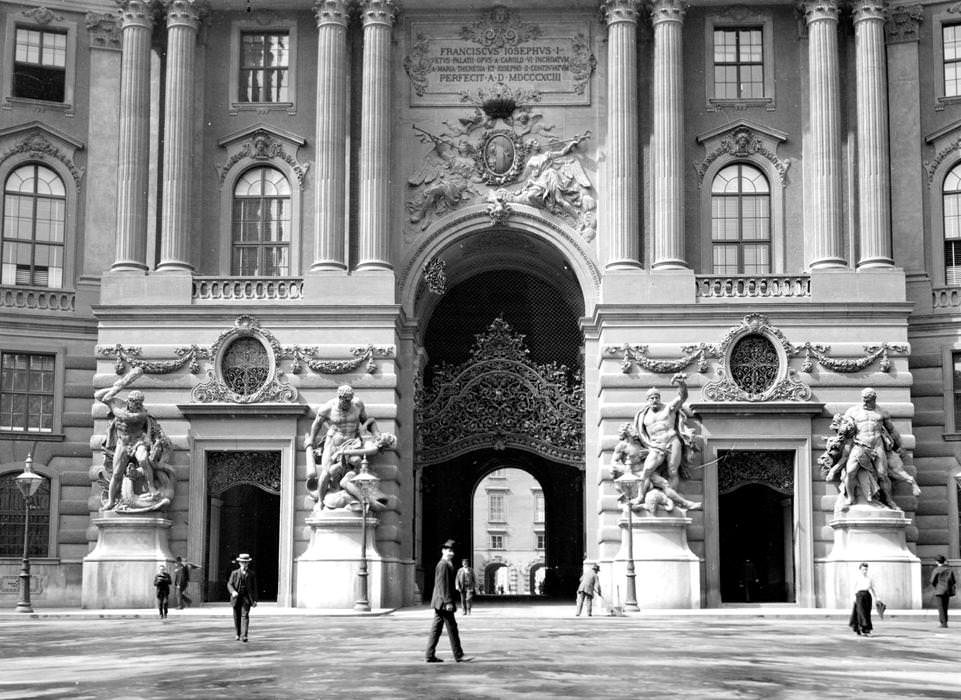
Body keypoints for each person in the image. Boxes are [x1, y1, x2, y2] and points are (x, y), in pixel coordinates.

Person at [94, 367, 174, 512]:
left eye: (139, 403)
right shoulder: (120, 404)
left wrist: (111, 402)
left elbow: (126, 417)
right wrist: (118, 387)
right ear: (129, 401)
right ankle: (111, 501)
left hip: (138, 441)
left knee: (143, 459)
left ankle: (151, 487)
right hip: (123, 443)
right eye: (134, 402)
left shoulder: (140, 414)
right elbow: (98, 395)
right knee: (117, 474)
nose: (137, 405)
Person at [828, 388, 921, 511]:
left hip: (877, 445)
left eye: (868, 400)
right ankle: (850, 498)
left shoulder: (882, 413)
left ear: (874, 399)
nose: (865, 403)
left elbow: (892, 431)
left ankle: (889, 501)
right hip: (860, 445)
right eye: (864, 400)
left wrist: (899, 446)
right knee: (850, 472)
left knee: (883, 474)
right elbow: (843, 429)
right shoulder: (853, 412)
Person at [304, 385, 386, 509]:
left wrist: (376, 434)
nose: (347, 404)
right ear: (340, 398)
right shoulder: (328, 408)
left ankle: (358, 493)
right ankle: (320, 501)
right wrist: (311, 440)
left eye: (349, 401)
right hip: (334, 444)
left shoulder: (357, 405)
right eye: (345, 401)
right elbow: (317, 424)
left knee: (357, 462)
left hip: (353, 443)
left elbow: (366, 421)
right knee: (326, 472)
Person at [425, 539, 468, 663]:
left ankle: (429, 655)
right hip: (443, 602)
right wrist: (448, 601)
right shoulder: (443, 564)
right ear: (443, 551)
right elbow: (442, 584)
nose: (451, 552)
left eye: (452, 550)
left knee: (436, 629)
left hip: (440, 601)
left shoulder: (446, 563)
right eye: (449, 550)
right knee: (452, 628)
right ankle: (459, 655)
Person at [227, 553, 258, 642]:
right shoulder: (234, 573)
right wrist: (233, 591)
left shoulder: (251, 574)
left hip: (247, 598)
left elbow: (254, 588)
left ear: (248, 563)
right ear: (239, 563)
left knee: (245, 615)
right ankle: (238, 633)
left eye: (246, 562)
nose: (244, 564)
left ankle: (244, 636)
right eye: (242, 562)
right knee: (237, 616)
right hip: (236, 597)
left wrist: (255, 600)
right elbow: (229, 584)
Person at [849, 562, 879, 636]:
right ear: (860, 570)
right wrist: (853, 598)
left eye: (866, 569)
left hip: (867, 596)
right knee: (861, 613)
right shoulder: (857, 578)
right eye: (863, 569)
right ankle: (864, 629)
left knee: (867, 613)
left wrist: (877, 598)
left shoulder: (869, 579)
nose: (864, 571)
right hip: (859, 596)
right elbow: (853, 588)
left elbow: (873, 588)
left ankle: (865, 629)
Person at [930, 554, 957, 628]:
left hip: (939, 590)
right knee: (945, 607)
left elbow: (932, 581)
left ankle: (943, 623)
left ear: (937, 561)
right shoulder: (949, 570)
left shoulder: (936, 570)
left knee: (941, 607)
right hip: (947, 590)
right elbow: (954, 580)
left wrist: (936, 586)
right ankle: (945, 621)